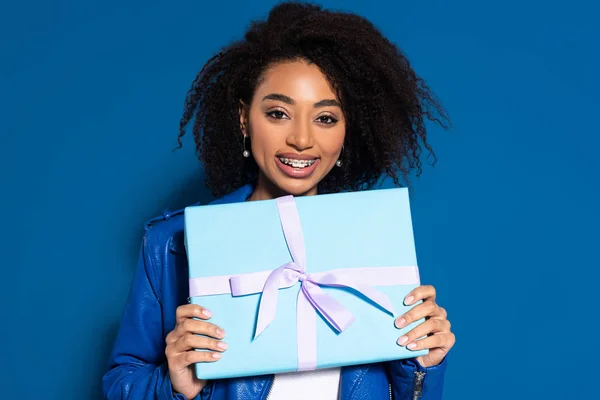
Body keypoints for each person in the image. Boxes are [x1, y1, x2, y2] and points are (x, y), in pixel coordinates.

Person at [102, 2, 456, 399]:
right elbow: (121, 381)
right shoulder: (171, 244)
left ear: (346, 131)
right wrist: (176, 386)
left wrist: (423, 364)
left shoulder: (373, 239)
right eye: (278, 113)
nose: (302, 139)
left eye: (325, 118)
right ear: (243, 118)